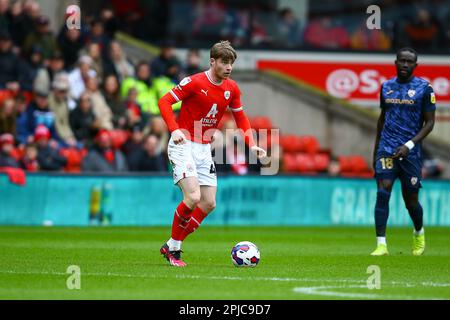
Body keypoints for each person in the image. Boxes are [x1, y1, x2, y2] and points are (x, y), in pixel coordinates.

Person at [157, 40, 266, 267]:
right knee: (193, 197)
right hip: (183, 142)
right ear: (212, 61)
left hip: (204, 149)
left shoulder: (232, 88)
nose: (228, 67)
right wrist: (174, 129)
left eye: (231, 63)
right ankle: (174, 251)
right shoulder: (194, 82)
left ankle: (171, 243)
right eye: (224, 62)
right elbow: (164, 101)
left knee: (208, 203)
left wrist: (251, 143)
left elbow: (241, 118)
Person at [371, 47, 436, 256]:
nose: (405, 65)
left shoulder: (425, 89)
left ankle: (418, 232)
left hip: (411, 153)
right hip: (387, 149)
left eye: (409, 62)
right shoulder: (386, 87)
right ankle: (381, 244)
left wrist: (409, 145)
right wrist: (376, 151)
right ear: (395, 62)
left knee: (411, 202)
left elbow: (430, 123)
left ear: (415, 66)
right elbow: (383, 119)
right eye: (402, 61)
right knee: (383, 191)